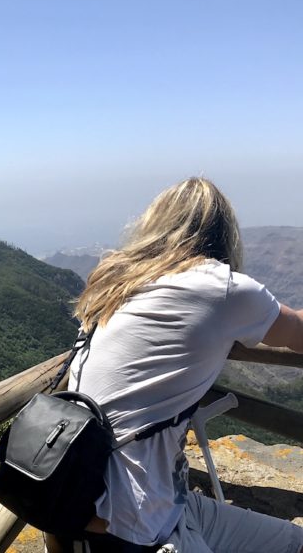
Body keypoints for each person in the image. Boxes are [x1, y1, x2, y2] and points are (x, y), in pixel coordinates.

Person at [46, 177, 303, 553]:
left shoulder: (117, 281)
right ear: (224, 234)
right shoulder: (224, 289)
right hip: (133, 521)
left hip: (136, 501)